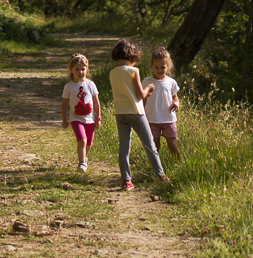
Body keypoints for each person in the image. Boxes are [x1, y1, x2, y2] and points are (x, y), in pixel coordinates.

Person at [109, 38, 169, 190]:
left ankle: (126, 181)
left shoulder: (112, 72)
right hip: (135, 112)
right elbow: (140, 95)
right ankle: (160, 175)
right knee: (149, 145)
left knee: (124, 147)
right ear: (131, 56)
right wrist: (148, 89)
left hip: (120, 112)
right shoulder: (133, 71)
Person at [61, 53, 100, 172]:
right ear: (71, 70)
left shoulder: (91, 85)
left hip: (90, 118)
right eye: (77, 69)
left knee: (89, 143)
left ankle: (84, 158)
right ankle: (82, 163)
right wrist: (64, 119)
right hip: (75, 118)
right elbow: (64, 104)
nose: (80, 72)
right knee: (82, 140)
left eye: (83, 69)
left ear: (87, 69)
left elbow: (96, 102)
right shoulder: (69, 87)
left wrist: (98, 118)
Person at [142, 45, 181, 162]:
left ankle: (179, 165)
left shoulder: (171, 82)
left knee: (172, 145)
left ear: (168, 67)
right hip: (152, 119)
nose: (159, 70)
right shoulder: (147, 81)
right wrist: (141, 114)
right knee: (154, 147)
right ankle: (155, 169)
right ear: (152, 66)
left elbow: (175, 97)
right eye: (156, 67)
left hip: (168, 119)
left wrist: (176, 104)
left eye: (162, 67)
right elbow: (143, 99)